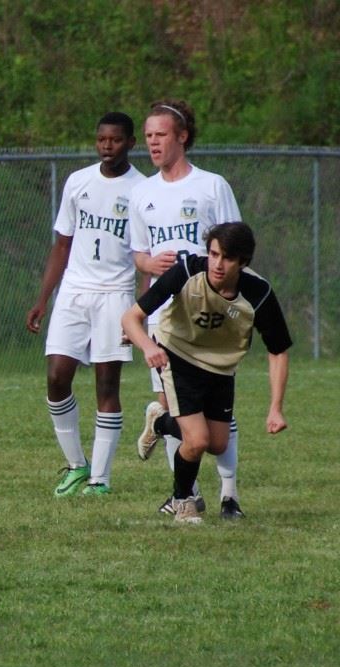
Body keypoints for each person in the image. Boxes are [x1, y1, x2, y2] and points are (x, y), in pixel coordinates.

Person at [122, 222, 291, 524]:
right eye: (213, 254)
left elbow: (277, 350)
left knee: (217, 444)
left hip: (221, 368)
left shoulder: (258, 292)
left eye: (226, 257)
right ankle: (183, 501)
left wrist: (275, 408)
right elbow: (132, 317)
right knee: (197, 440)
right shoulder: (187, 271)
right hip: (178, 355)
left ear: (242, 261)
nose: (217, 263)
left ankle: (160, 422)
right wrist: (148, 346)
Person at [128, 98, 246, 518]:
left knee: (215, 413)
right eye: (148, 136)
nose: (153, 143)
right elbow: (139, 255)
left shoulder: (212, 186)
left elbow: (237, 246)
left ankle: (229, 494)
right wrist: (147, 277)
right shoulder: (142, 193)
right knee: (179, 407)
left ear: (182, 137)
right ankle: (186, 495)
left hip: (212, 313)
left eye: (161, 135)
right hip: (168, 315)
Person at [27, 112, 144, 497]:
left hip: (116, 295)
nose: (106, 147)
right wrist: (43, 299)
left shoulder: (142, 190)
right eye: (101, 140)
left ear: (131, 143)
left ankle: (101, 479)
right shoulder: (78, 182)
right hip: (75, 292)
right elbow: (62, 244)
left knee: (107, 386)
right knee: (57, 376)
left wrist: (141, 309)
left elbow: (144, 255)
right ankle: (76, 465)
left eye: (115, 140)